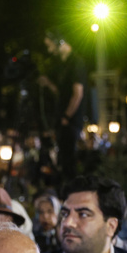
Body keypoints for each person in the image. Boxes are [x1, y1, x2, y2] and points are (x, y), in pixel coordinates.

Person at [41, 31, 88, 180]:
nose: (50, 50)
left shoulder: (76, 62)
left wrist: (67, 116)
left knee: (69, 160)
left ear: (60, 42)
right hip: (63, 119)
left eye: (50, 46)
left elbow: (77, 93)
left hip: (70, 121)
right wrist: (48, 83)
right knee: (62, 158)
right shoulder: (62, 63)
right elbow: (61, 92)